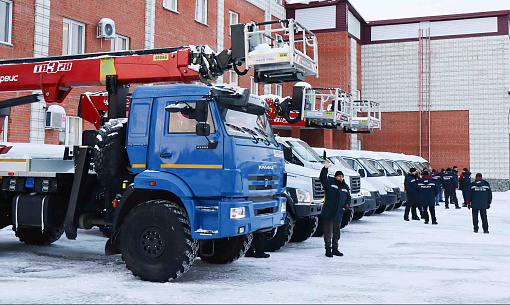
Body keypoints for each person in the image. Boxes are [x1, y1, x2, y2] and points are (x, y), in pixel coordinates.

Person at [320, 160, 351, 258]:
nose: (340, 178)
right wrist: (325, 168)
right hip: (329, 212)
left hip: (338, 213)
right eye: (339, 176)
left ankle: (335, 248)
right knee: (328, 232)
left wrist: (345, 207)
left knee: (336, 232)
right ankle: (328, 249)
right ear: (335, 177)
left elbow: (348, 199)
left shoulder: (345, 187)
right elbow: (322, 178)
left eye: (342, 177)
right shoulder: (330, 184)